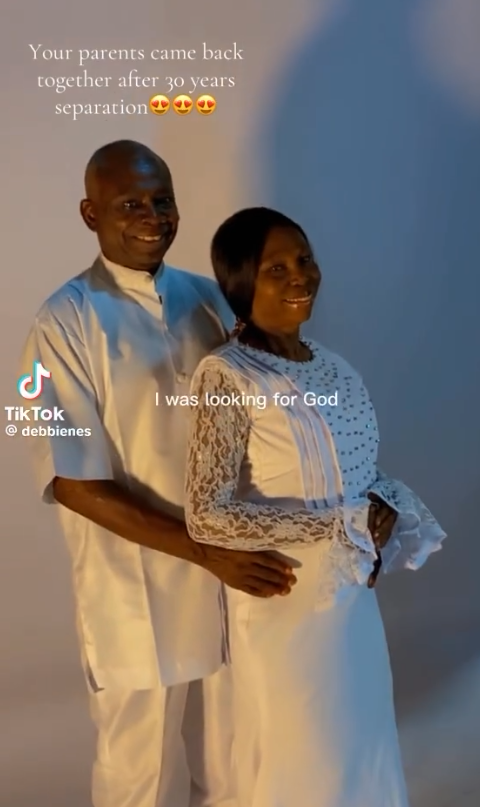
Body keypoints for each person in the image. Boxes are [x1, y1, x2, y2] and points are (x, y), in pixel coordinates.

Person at [18, 144, 297, 807]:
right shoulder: (60, 323)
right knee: (135, 777)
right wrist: (206, 550)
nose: (152, 216)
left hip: (232, 583)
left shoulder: (209, 300)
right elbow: (72, 482)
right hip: (134, 594)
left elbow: (276, 420)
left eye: (162, 200)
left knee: (231, 769)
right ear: (90, 214)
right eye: (130, 204)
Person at [184, 206, 447, 807]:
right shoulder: (226, 375)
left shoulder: (335, 367)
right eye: (275, 267)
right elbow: (207, 512)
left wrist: (380, 503)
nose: (300, 275)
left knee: (361, 751)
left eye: (304, 259)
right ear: (241, 282)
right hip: (283, 602)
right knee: (304, 758)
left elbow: (356, 471)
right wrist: (339, 524)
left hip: (351, 604)